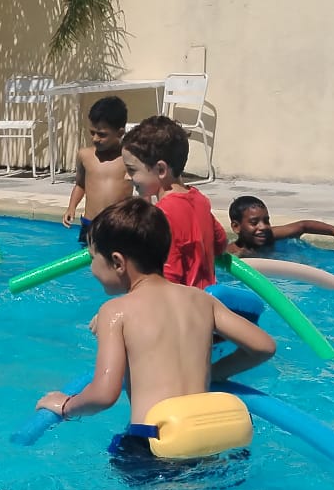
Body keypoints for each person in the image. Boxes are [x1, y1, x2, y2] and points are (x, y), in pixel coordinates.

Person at [36, 198, 275, 462]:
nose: (91, 269)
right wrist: (213, 374)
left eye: (93, 259)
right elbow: (264, 346)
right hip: (213, 436)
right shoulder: (202, 300)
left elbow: (103, 394)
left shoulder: (115, 311)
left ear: (117, 262)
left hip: (155, 441)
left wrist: (66, 405)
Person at [121, 115, 226, 289]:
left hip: (180, 311)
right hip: (205, 304)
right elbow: (220, 244)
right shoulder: (200, 200)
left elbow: (167, 280)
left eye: (132, 170)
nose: (127, 177)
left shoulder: (162, 215)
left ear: (161, 169)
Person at [61, 96, 132, 245]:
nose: (95, 139)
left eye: (102, 134)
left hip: (118, 226)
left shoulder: (129, 158)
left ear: (119, 133)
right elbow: (80, 184)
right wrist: (71, 207)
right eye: (92, 132)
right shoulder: (85, 155)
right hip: (90, 224)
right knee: (88, 265)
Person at [226, 196, 334, 257]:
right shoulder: (230, 253)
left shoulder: (270, 236)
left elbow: (303, 226)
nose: (263, 227)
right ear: (236, 227)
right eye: (254, 223)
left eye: (266, 220)